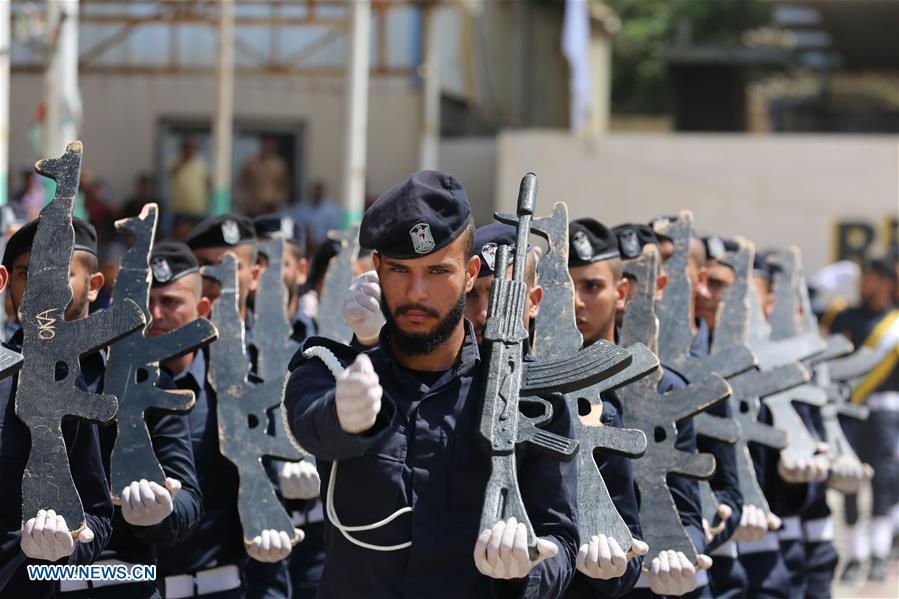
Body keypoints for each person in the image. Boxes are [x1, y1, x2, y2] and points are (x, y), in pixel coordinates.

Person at [286, 170, 579, 597]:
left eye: (438, 270)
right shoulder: (333, 370)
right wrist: (345, 416)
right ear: (377, 270)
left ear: (469, 271)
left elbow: (562, 541)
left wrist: (527, 566)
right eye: (401, 270)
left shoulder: (528, 395)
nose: (417, 292)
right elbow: (311, 423)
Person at [570, 218, 711, 598]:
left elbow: (687, 510)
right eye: (566, 286)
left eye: (592, 286)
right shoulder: (536, 391)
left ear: (621, 292)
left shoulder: (664, 387)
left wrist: (680, 550)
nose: (577, 301)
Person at [148, 242, 296, 598]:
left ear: (202, 309)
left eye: (169, 302)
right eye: (146, 302)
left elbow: (263, 506)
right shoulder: (108, 394)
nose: (155, 314)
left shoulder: (233, 393)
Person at [0, 218, 114, 598]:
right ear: (6, 282)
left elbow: (96, 516)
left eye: (57, 274)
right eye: (26, 274)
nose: (40, 289)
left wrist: (65, 547)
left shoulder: (62, 384)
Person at [830, 256, 899, 582]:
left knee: (884, 482)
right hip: (847, 408)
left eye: (868, 277)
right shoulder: (845, 316)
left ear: (885, 282)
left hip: (887, 411)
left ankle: (878, 552)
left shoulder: (894, 323)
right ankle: (855, 555)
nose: (862, 283)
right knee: (849, 480)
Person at [169, 139, 210, 240]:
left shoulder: (200, 164)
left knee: (199, 239)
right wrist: (183, 160)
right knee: (180, 239)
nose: (190, 151)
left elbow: (208, 183)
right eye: (188, 148)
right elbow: (172, 171)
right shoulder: (175, 162)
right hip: (180, 209)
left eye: (192, 148)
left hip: (198, 210)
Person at [239, 138, 290, 217]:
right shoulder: (251, 163)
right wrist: (244, 199)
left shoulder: (279, 165)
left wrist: (280, 199)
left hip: (271, 204)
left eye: (270, 147)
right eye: (266, 146)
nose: (268, 149)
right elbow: (242, 182)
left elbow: (284, 184)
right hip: (253, 205)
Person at [290, 181, 340, 250]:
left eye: (319, 192)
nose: (317, 194)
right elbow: (300, 227)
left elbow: (332, 230)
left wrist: (321, 242)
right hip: (307, 245)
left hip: (325, 246)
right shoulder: (303, 208)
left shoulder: (331, 209)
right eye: (316, 192)